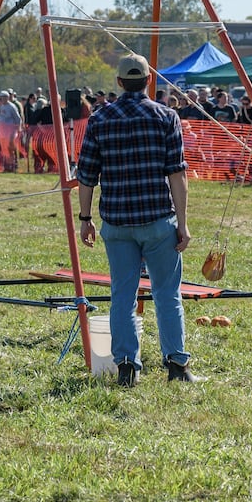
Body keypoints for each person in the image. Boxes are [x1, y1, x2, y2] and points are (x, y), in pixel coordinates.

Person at [75, 52, 196, 385]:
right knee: (167, 295)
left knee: (122, 297)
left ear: (118, 82)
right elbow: (177, 174)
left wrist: (84, 218)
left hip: (116, 223)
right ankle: (176, 366)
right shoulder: (166, 116)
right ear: (148, 80)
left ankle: (127, 367)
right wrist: (183, 224)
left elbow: (86, 175)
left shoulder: (100, 119)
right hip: (159, 221)